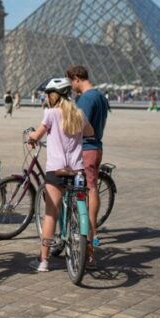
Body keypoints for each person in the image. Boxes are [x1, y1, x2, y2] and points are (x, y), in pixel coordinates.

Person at [26, 78, 93, 272]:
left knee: (50, 215)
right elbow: (91, 132)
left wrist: (31, 138)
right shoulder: (79, 114)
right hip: (77, 170)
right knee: (83, 212)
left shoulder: (50, 113)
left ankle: (44, 261)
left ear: (52, 96)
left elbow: (37, 135)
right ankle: (89, 255)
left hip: (56, 170)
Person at [67, 64, 109, 269]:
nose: (71, 87)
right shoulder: (100, 96)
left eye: (71, 82)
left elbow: (79, 124)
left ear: (77, 78)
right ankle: (94, 229)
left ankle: (89, 229)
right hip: (97, 146)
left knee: (86, 188)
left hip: (86, 148)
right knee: (92, 186)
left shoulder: (86, 98)